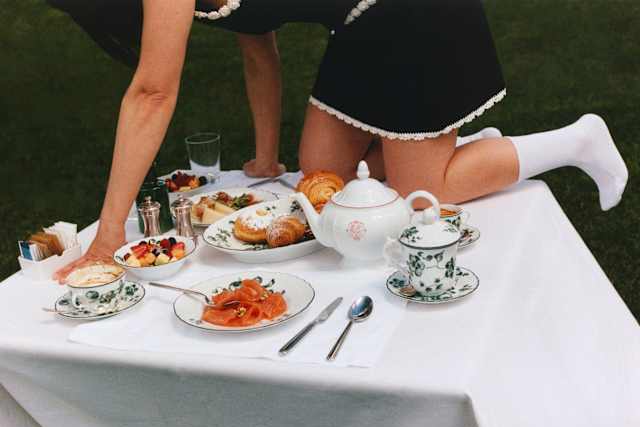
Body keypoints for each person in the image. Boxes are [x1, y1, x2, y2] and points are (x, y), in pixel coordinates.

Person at [50, 0, 628, 282]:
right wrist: (266, 155)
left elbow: (152, 93)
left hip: (416, 12)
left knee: (417, 191)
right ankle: (439, 137)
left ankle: (577, 141)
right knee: (319, 180)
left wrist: (107, 237)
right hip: (360, 24)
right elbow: (258, 46)